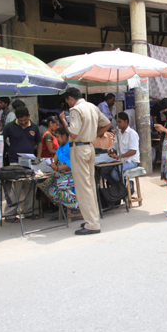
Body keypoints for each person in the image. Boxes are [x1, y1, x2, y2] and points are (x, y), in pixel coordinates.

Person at [65, 88, 111, 235]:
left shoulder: (75, 110)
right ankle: (93, 219)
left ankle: (92, 223)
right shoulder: (92, 106)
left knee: (83, 187)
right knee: (90, 185)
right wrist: (93, 135)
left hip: (79, 149)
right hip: (90, 147)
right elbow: (107, 124)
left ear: (70, 98)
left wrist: (63, 121)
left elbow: (73, 133)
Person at [1, 106, 42, 220]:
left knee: (30, 188)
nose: (23, 122)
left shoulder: (34, 127)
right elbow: (1, 139)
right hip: (15, 161)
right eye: (20, 120)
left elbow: (39, 143)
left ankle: (29, 212)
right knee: (16, 188)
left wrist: (37, 158)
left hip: (30, 161)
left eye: (24, 120)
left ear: (28, 116)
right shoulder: (10, 127)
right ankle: (9, 215)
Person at [39, 127, 79, 212]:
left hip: (70, 175)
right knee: (45, 185)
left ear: (64, 136)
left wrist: (56, 167)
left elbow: (72, 164)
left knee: (59, 187)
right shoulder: (60, 148)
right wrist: (48, 162)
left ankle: (74, 204)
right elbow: (54, 160)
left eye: (57, 137)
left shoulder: (70, 146)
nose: (56, 139)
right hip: (61, 174)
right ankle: (64, 203)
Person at [100, 112, 140, 186]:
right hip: (120, 160)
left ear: (126, 121)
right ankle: (119, 187)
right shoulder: (118, 133)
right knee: (104, 171)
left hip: (131, 161)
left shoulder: (132, 134)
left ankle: (129, 186)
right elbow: (115, 148)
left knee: (115, 173)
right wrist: (110, 151)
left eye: (119, 122)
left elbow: (133, 151)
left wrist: (119, 156)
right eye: (117, 122)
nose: (118, 124)